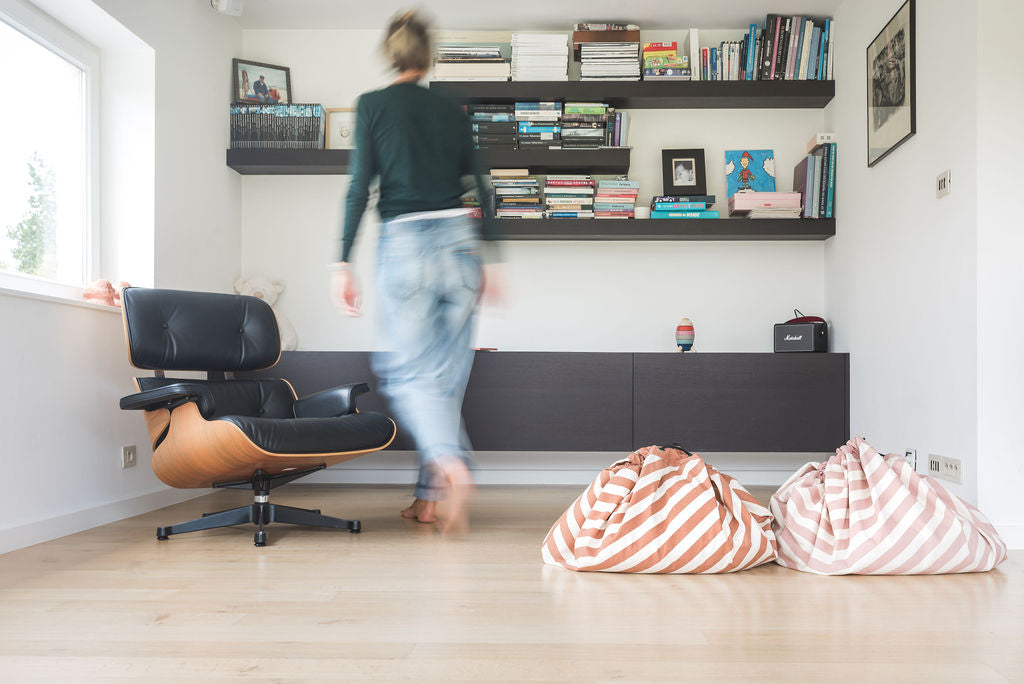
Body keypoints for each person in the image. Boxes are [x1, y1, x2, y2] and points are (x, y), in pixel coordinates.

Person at [330, 9, 503, 533]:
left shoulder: (373, 106)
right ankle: (428, 499)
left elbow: (360, 186)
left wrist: (342, 261)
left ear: (390, 56)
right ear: (429, 58)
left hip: (406, 244)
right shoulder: (451, 110)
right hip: (460, 246)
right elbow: (483, 182)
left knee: (407, 374)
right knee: (445, 381)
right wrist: (492, 259)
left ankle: (451, 464)